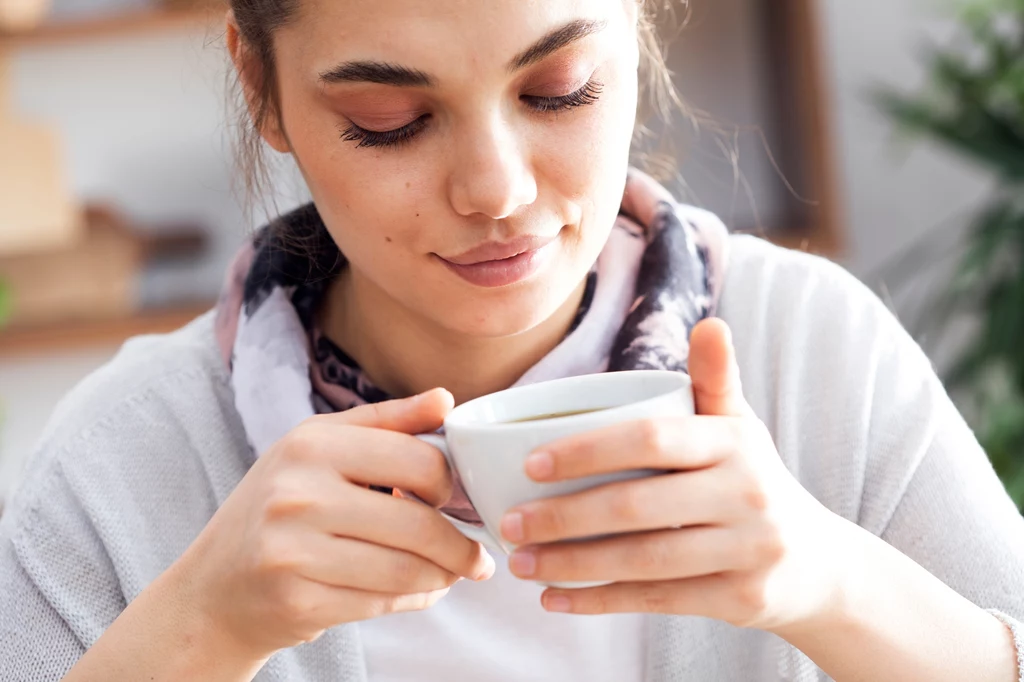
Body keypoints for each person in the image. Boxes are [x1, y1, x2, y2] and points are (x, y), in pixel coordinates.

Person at [1, 1, 1022, 680]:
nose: (495, 189)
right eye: (389, 117)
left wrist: (829, 583)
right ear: (261, 86)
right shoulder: (125, 458)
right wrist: (199, 630)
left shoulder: (813, 353)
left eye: (558, 90)